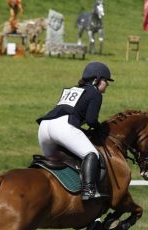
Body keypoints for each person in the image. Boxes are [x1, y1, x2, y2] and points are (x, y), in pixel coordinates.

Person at [36, 62, 113, 201]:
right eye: (106, 80)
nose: (107, 84)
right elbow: (90, 120)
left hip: (44, 127)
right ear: (97, 79)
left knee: (53, 164)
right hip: (62, 127)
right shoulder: (95, 93)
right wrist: (98, 127)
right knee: (91, 153)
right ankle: (88, 190)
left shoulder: (74, 89)